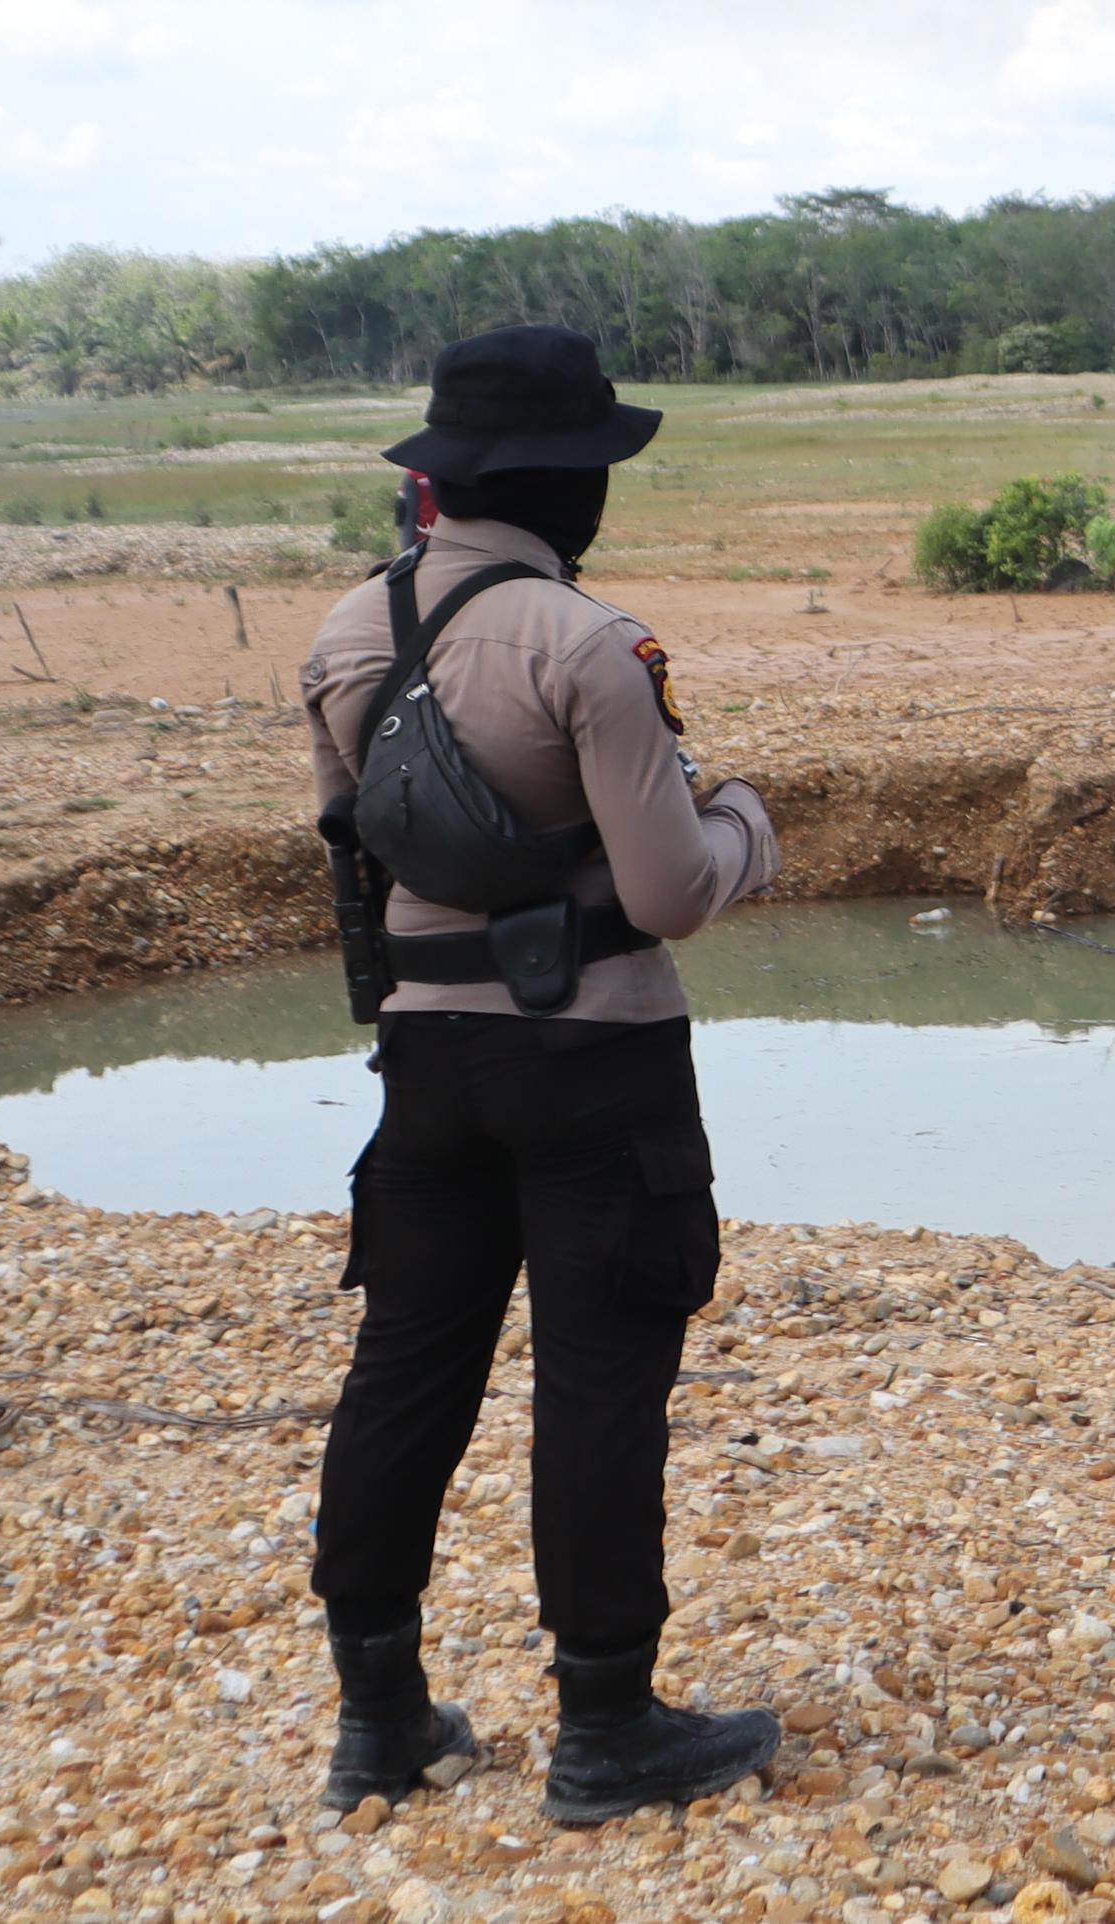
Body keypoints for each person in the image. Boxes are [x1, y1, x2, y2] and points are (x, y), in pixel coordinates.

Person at [298, 324, 784, 1823]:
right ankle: (607, 1727)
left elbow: (353, 863)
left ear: (440, 477)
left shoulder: (343, 637)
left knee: (402, 1380)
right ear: (573, 483)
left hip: (426, 1065)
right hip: (595, 1066)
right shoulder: (585, 644)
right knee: (597, 1383)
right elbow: (666, 893)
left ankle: (381, 1719)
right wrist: (748, 822)